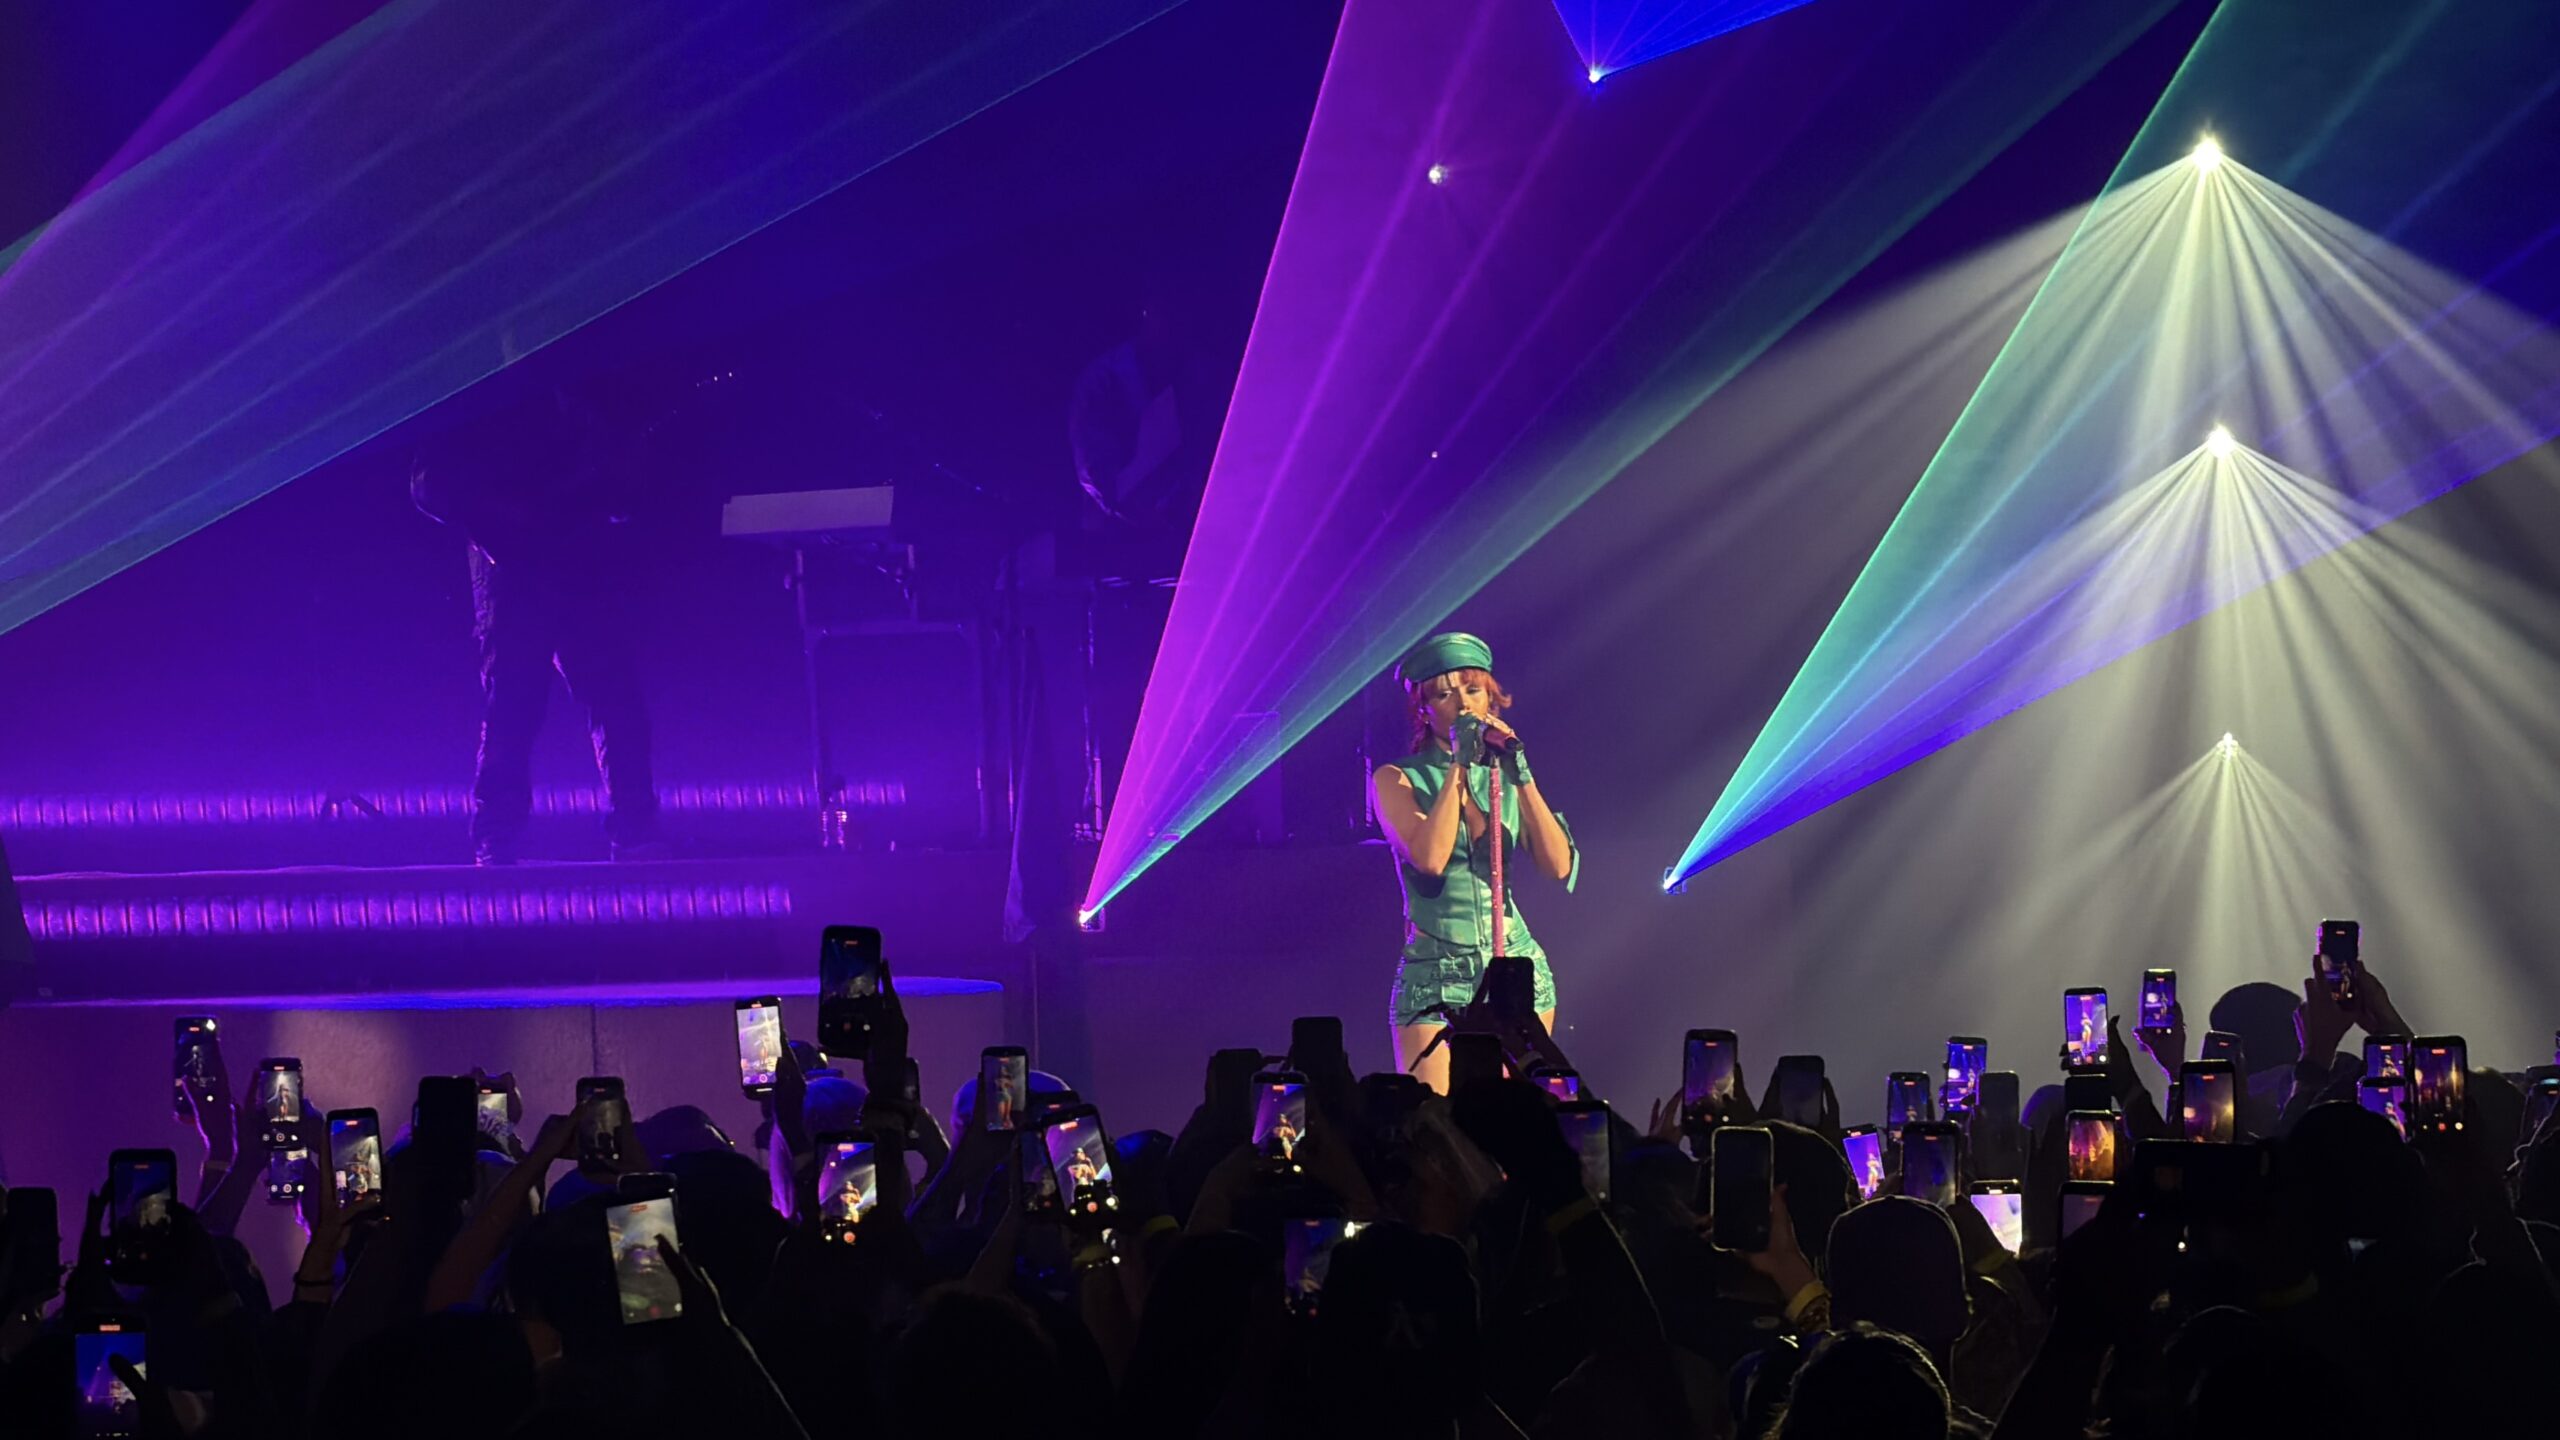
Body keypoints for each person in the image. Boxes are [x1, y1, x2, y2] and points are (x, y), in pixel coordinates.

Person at [410, 360, 662, 866]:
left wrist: (616, 494)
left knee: (607, 700)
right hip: (519, 574)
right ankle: (501, 834)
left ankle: (628, 828)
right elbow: (430, 483)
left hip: (573, 567)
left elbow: (620, 478)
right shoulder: (481, 396)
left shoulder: (575, 394)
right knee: (517, 705)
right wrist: (496, 523)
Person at [1372, 632, 1578, 1091]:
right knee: (1434, 1117)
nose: (1463, 704)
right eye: (1444, 695)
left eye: (1473, 690)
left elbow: (1558, 866)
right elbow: (1429, 858)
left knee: (1522, 1117)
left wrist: (1522, 776)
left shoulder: (1503, 775)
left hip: (1516, 966)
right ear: (1423, 709)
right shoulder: (1396, 778)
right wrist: (1459, 768)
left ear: (1491, 698)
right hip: (1437, 975)